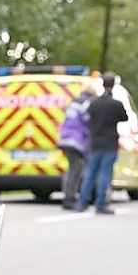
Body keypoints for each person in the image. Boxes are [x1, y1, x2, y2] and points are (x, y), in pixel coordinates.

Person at [76, 73, 128, 214]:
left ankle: (82, 203)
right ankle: (100, 204)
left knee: (90, 173)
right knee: (104, 174)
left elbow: (86, 117)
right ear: (114, 85)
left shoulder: (94, 103)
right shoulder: (116, 104)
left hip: (95, 142)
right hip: (110, 143)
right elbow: (125, 118)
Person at [58, 82, 95, 210]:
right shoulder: (86, 104)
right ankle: (69, 198)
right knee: (76, 169)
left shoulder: (74, 102)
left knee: (72, 168)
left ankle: (68, 196)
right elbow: (87, 121)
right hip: (76, 141)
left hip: (65, 138)